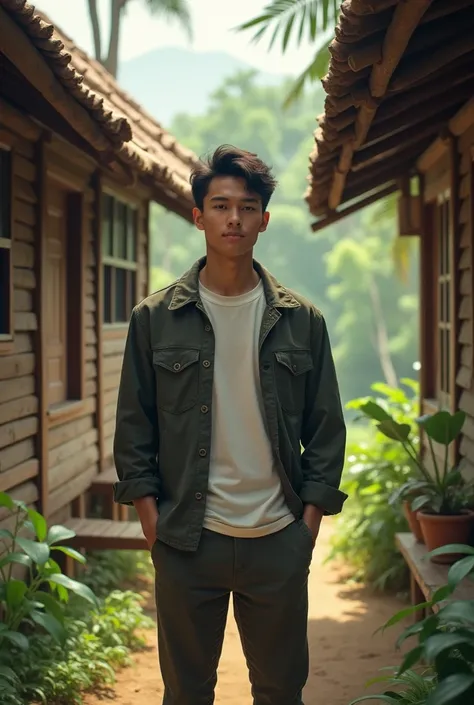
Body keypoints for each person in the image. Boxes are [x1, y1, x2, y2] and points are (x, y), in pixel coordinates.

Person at [113, 144, 347, 705]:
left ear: (264, 220)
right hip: (188, 541)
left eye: (246, 207)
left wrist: (306, 529)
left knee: (279, 690)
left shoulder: (301, 321)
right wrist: (153, 523)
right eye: (220, 206)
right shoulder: (154, 318)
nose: (233, 219)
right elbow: (132, 427)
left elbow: (326, 429)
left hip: (277, 541)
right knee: (186, 692)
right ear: (199, 217)